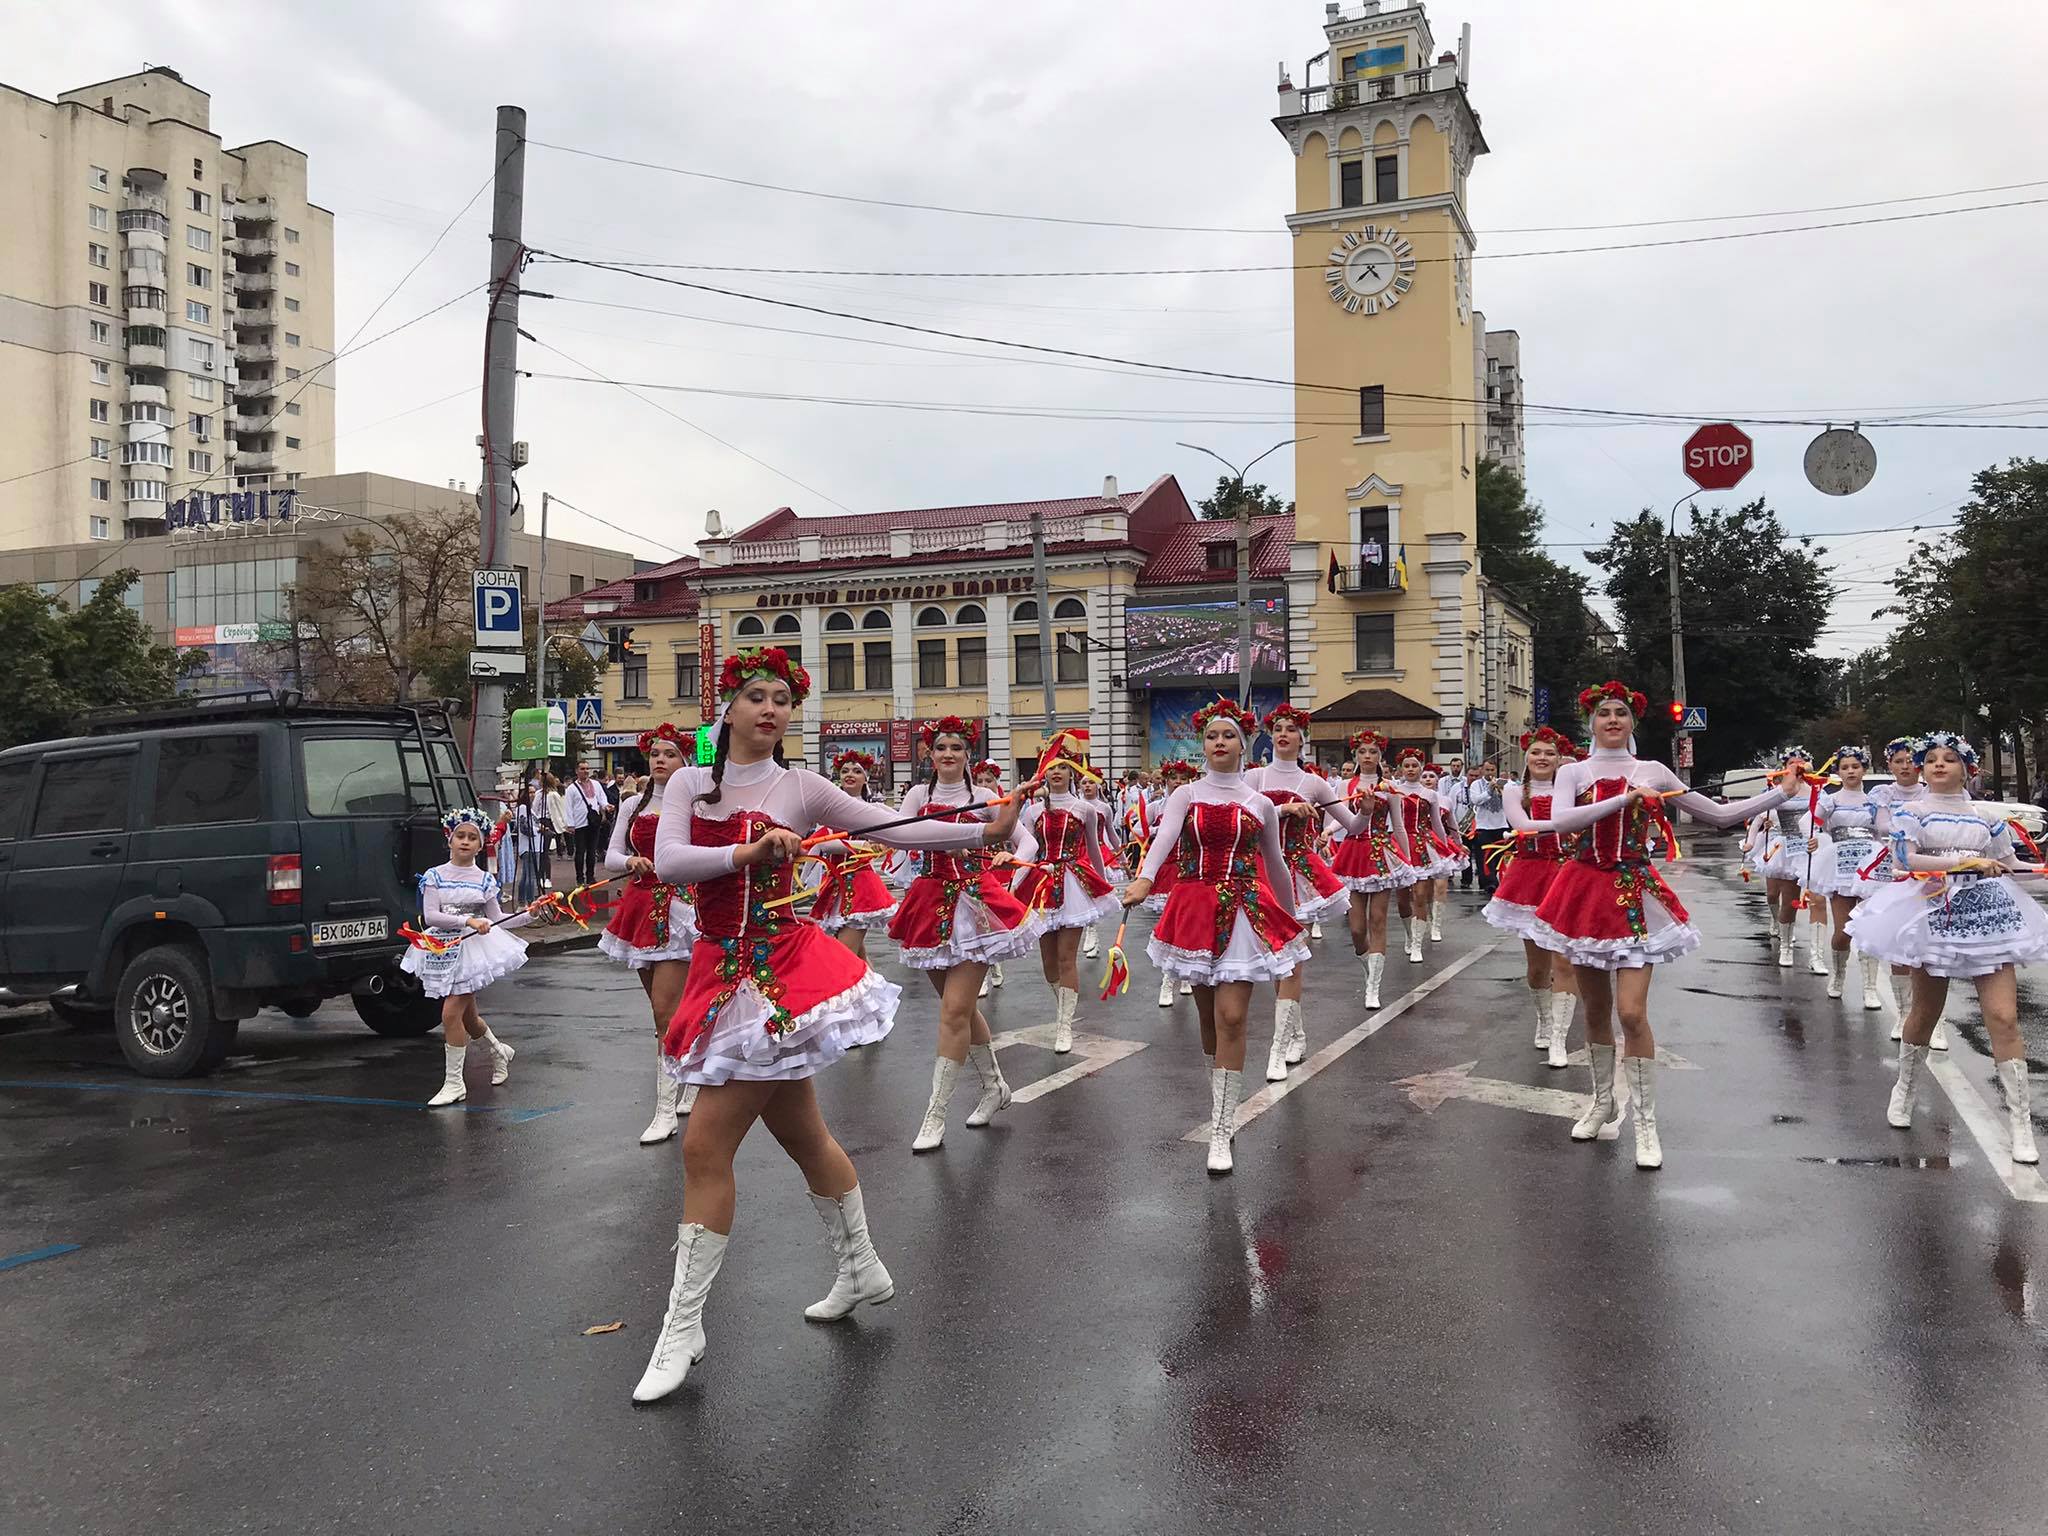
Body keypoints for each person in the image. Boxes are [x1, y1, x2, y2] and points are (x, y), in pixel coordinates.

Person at [636, 649, 1029, 1403]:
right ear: (727, 706)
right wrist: (750, 849)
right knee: (805, 1137)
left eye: (781, 698)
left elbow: (901, 829)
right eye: (755, 695)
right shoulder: (690, 781)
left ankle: (682, 1328)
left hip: (778, 975)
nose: (769, 709)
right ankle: (863, 1268)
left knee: (703, 1144)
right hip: (721, 968)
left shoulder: (803, 786)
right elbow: (670, 862)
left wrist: (984, 835)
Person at [1521, 681, 1793, 1169]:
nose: (1612, 720)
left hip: (1632, 893)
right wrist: (1624, 802)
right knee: (1595, 1010)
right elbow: (1562, 822)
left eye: (1621, 713)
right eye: (1603, 712)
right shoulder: (1573, 771)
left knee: (1631, 1012)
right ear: (1591, 722)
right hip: (1583, 890)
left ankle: (1645, 1122)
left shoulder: (1652, 770)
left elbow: (1720, 816)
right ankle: (1602, 1102)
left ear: (1632, 721)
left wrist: (1779, 794)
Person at [1122, 697, 1308, 1174]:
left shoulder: (1260, 802)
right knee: (1208, 1019)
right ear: (1203, 743)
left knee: (1231, 1017)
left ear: (1244, 745)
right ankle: (1220, 1096)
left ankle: (1221, 1128)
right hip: (1194, 907)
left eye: (1228, 736)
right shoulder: (1186, 795)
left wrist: (1288, 922)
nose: (1219, 743)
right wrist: (1144, 878)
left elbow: (1276, 865)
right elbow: (1163, 841)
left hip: (1246, 910)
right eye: (1212, 736)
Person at [1850, 730, 2047, 1165]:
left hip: (1988, 917)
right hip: (1933, 913)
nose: (1939, 764)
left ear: (1966, 769)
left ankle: (2020, 1126)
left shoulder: (1987, 817)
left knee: (2003, 1016)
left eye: (1950, 759)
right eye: (1932, 759)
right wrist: (1963, 862)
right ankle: (1905, 1087)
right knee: (1925, 1012)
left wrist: (2041, 869)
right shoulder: (1911, 812)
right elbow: (1906, 860)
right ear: (1922, 768)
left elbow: (2011, 866)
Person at [887, 716, 1046, 1150]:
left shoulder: (986, 796)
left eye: (957, 748)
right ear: (930, 754)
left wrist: (1006, 869)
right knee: (957, 1011)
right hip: (930, 904)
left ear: (968, 755)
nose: (948, 755)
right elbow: (899, 839)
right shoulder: (919, 795)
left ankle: (935, 1115)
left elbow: (1025, 841)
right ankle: (995, 1086)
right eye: (941, 748)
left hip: (975, 906)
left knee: (955, 1012)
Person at [1247, 704, 1360, 1079]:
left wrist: (1371, 810)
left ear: (1301, 738)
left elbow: (1353, 827)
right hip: (1262, 870)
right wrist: (1282, 811)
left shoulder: (1315, 782)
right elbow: (1245, 820)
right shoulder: (1254, 778)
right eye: (1277, 728)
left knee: (1291, 957)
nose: (1283, 734)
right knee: (1274, 959)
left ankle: (1278, 1049)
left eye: (1291, 729)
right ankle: (1296, 1031)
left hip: (1299, 873)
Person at [602, 723, 702, 1145]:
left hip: (681, 913)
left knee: (665, 1011)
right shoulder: (631, 804)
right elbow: (611, 856)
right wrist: (630, 864)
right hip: (642, 912)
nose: (661, 760)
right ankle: (690, 1075)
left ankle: (665, 1111)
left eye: (671, 754)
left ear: (685, 762)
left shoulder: (698, 804)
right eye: (655, 754)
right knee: (665, 1013)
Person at [403, 808, 544, 1106]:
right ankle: (498, 1050)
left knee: (450, 1014)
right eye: (460, 836)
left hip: (472, 953)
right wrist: (467, 922)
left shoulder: (484, 880)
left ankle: (455, 1084)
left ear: (481, 845)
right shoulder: (434, 876)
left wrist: (529, 914)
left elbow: (498, 919)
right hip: (442, 949)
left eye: (472, 838)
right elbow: (431, 915)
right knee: (469, 1018)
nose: (465, 842)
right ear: (450, 840)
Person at [1011, 736, 1121, 1054]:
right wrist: (1016, 882)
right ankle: (1063, 1009)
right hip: (1042, 884)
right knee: (1048, 964)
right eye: (1051, 767)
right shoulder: (1032, 812)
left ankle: (1064, 1025)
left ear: (1072, 771)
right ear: (1043, 771)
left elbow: (1093, 849)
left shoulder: (1084, 809)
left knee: (1065, 958)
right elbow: (1026, 849)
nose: (1056, 772)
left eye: (1062, 767)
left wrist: (1101, 883)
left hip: (1073, 883)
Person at [1488, 728, 1580, 1067]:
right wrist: (1570, 819)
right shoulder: (1515, 791)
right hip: (1531, 875)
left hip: (1568, 875)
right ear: (1526, 756)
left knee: (1564, 961)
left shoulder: (1573, 790)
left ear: (1559, 760)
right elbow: (1522, 825)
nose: (1542, 758)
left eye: (1550, 754)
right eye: (1536, 752)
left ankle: (1559, 1036)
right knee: (1537, 965)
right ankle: (1543, 1019)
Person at [1330, 731, 1418, 1010]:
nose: (1368, 756)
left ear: (1381, 756)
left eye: (1373, 752)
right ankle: (1368, 968)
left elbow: (1399, 826)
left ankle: (1374, 987)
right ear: (1355, 755)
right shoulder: (1345, 786)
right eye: (1363, 752)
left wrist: (1408, 863)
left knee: (1377, 920)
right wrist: (1327, 832)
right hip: (1353, 853)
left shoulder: (1390, 788)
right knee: (1356, 928)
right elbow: (1339, 819)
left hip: (1381, 854)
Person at [1804, 746, 1888, 1009]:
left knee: (1867, 930)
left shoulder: (1875, 802)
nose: (1851, 771)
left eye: (1855, 766)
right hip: (1840, 866)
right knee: (1842, 931)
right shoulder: (1831, 800)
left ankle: (1869, 988)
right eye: (1845, 767)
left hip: (1869, 867)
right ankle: (1839, 975)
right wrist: (1815, 839)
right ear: (1838, 772)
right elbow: (1808, 823)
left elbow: (1885, 831)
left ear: (1864, 769)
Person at [1869, 737, 1940, 1044]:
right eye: (1899, 761)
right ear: (1890, 765)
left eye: (1911, 761)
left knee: (1933, 945)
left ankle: (1936, 1021)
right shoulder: (1884, 794)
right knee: (1900, 943)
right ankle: (1903, 1013)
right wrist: (1914, 820)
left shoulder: (1933, 791)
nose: (1906, 766)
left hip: (1932, 873)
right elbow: (1884, 826)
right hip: (1896, 870)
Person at [809, 749, 899, 961]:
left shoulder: (873, 808)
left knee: (842, 957)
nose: (850, 774)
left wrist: (884, 841)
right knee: (856, 959)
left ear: (865, 778)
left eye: (857, 771)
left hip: (861, 886)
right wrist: (864, 844)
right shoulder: (828, 809)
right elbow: (826, 844)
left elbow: (904, 825)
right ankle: (875, 993)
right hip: (835, 885)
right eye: (845, 770)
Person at [1144, 758, 1199, 1006]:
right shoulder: (1155, 807)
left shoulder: (1197, 804)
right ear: (1165, 780)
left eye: (1183, 779)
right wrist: (1154, 832)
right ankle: (1168, 980)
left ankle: (1184, 975)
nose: (1178, 782)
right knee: (1168, 926)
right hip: (1167, 870)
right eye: (1174, 778)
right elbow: (1141, 830)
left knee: (1188, 925)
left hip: (1189, 870)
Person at [1454, 760, 1508, 895]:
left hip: (1501, 825)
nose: (1489, 773)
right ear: (1482, 771)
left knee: (1498, 856)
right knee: (1484, 856)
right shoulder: (1477, 784)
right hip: (1483, 826)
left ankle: (1492, 878)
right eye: (1487, 770)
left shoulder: (1506, 784)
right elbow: (1476, 800)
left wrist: (1503, 792)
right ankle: (1489, 883)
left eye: (1492, 770)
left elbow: (1512, 801)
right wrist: (1489, 790)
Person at [563, 762, 610, 887]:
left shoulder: (596, 784)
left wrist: (606, 806)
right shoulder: (571, 789)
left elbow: (601, 798)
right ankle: (580, 878)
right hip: (579, 823)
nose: (585, 771)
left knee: (591, 851)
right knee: (580, 851)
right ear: (577, 771)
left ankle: (590, 876)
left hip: (593, 822)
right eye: (582, 769)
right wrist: (570, 824)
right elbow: (568, 807)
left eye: (587, 768)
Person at [543, 772, 569, 886]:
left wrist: (565, 824)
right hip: (547, 821)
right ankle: (544, 877)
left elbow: (560, 810)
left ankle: (546, 877)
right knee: (543, 852)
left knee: (544, 851)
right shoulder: (545, 794)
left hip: (549, 822)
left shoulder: (552, 794)